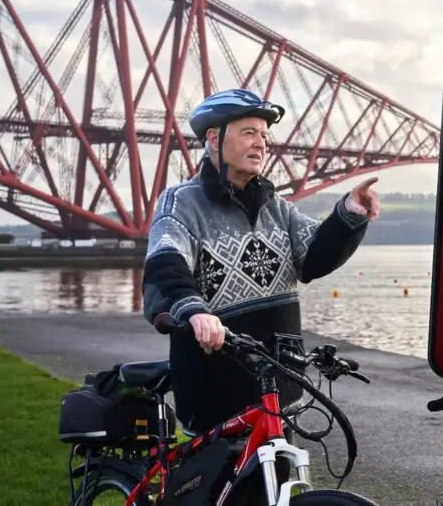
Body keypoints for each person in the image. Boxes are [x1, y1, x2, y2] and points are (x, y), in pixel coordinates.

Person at [141, 87, 381, 441]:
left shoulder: (276, 207)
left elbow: (313, 257)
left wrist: (347, 215)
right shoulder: (181, 203)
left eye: (264, 135)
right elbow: (166, 260)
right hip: (214, 390)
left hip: (278, 387)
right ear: (213, 138)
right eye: (249, 132)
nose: (261, 143)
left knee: (283, 489)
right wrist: (194, 311)